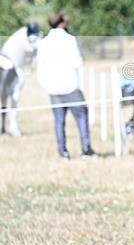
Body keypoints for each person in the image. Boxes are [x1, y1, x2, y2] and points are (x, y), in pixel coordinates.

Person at [36, 12, 97, 159]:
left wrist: (46, 86)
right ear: (62, 23)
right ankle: (85, 149)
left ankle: (62, 151)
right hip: (70, 85)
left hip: (53, 88)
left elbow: (40, 66)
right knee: (81, 117)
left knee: (59, 121)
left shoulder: (44, 42)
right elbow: (77, 62)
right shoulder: (69, 40)